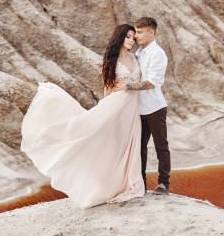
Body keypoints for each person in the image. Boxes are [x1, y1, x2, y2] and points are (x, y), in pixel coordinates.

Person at [21, 24, 144, 208]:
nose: (131, 41)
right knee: (109, 143)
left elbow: (140, 83)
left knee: (128, 145)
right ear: (119, 37)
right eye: (127, 36)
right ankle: (106, 186)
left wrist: (131, 88)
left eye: (133, 38)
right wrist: (105, 109)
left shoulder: (135, 58)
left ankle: (126, 184)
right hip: (116, 106)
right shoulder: (111, 59)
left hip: (132, 109)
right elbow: (108, 87)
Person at [112, 17, 170, 195]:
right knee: (139, 147)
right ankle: (141, 183)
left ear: (151, 33)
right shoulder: (139, 53)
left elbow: (152, 83)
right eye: (135, 32)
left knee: (161, 146)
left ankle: (163, 184)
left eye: (140, 32)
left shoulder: (157, 54)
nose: (136, 36)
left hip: (154, 107)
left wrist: (127, 86)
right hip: (138, 108)